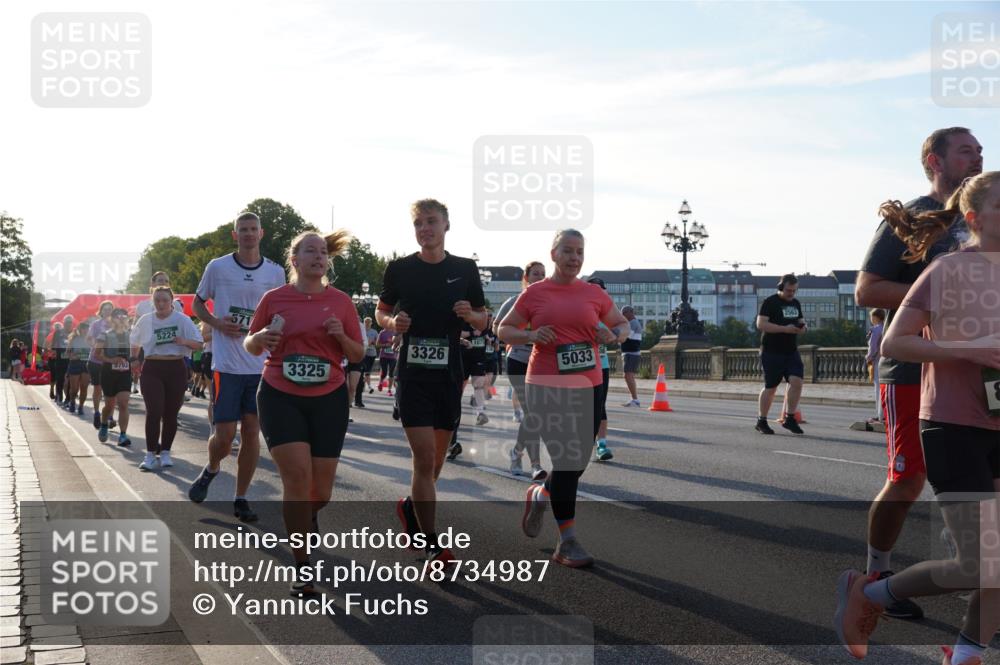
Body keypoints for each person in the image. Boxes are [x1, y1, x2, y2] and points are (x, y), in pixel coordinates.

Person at [835, 170, 1000, 664]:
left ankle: (966, 656)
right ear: (974, 218)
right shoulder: (948, 270)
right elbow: (895, 341)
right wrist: (966, 349)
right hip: (954, 424)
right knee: (978, 562)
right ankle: (873, 593)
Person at [854, 127, 983, 620]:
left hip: (974, 371)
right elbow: (867, 290)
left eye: (980, 150)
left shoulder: (984, 220)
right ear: (935, 160)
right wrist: (941, 301)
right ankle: (876, 573)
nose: (978, 156)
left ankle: (978, 583)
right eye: (966, 150)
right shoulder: (912, 219)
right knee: (907, 478)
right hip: (911, 366)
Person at [499, 229, 629, 568]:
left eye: (579, 252)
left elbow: (621, 325)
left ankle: (541, 495)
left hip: (590, 384)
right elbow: (503, 330)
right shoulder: (534, 294)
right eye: (568, 251)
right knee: (567, 458)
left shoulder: (593, 294)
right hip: (545, 384)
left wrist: (612, 334)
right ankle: (566, 541)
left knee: (578, 462)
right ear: (554, 254)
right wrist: (530, 334)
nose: (574, 257)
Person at [245, 230, 363, 596]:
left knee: (321, 491)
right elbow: (250, 344)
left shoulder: (342, 302)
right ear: (294, 261)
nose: (318, 256)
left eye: (323, 252)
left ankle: (306, 516)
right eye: (309, 251)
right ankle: (303, 564)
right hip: (281, 394)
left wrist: (340, 338)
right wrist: (261, 337)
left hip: (328, 397)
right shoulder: (274, 298)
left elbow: (358, 355)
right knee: (296, 480)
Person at [376, 198, 486, 564]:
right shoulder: (400, 269)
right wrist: (393, 324)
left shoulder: (465, 269)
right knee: (423, 461)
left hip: (450, 373)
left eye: (431, 221)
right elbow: (381, 311)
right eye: (419, 223)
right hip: (413, 374)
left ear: (446, 226)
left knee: (436, 464)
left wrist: (471, 314)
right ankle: (433, 544)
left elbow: (484, 320)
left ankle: (410, 507)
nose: (425, 228)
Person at [188, 211, 287, 523]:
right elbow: (197, 303)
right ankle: (212, 467)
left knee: (252, 434)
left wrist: (276, 332)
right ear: (235, 235)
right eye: (242, 229)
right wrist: (217, 323)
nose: (247, 234)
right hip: (227, 364)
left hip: (260, 367)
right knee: (225, 436)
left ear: (261, 233)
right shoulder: (218, 267)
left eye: (252, 229)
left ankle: (241, 497)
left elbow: (282, 312)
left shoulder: (275, 271)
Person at [130, 286, 203, 471]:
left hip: (175, 367)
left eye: (164, 300)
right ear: (152, 302)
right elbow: (134, 341)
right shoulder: (146, 320)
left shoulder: (182, 320)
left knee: (170, 414)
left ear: (171, 301)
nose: (161, 304)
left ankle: (165, 452)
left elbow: (199, 344)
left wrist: (183, 341)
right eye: (157, 301)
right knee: (154, 411)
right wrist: (134, 360)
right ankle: (149, 454)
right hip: (152, 367)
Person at [495, 261, 548, 480]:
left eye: (543, 274)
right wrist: (524, 333)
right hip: (518, 359)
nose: (540, 278)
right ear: (525, 278)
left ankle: (516, 452)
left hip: (542, 362)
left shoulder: (549, 303)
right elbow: (497, 327)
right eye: (536, 274)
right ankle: (535, 464)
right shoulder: (514, 302)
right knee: (532, 413)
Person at [754, 274, 807, 435]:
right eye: (789, 290)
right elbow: (761, 324)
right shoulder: (770, 302)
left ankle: (790, 418)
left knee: (797, 382)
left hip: (790, 350)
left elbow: (800, 321)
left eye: (794, 291)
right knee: (771, 387)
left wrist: (802, 328)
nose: (791, 294)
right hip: (771, 351)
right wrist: (785, 329)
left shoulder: (796, 303)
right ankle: (762, 420)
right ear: (780, 287)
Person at [94, 308, 135, 447]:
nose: (121, 319)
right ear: (112, 319)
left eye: (124, 316)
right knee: (109, 405)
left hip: (125, 373)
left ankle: (123, 435)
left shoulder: (131, 335)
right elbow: (96, 354)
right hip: (108, 373)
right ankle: (104, 424)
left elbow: (137, 353)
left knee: (123, 403)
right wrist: (112, 360)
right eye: (118, 316)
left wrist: (134, 362)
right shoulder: (104, 335)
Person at [588, 278, 615, 462]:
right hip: (578, 368)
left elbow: (622, 330)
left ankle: (602, 444)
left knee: (600, 406)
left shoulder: (608, 313)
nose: (599, 293)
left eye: (601, 290)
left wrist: (613, 335)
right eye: (594, 289)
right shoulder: (580, 310)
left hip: (601, 365)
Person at [86, 301, 116, 429]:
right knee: (98, 388)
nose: (108, 311)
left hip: (110, 361)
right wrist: (96, 347)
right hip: (96, 360)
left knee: (111, 391)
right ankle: (97, 413)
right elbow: (89, 338)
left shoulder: (116, 325)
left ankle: (109, 415)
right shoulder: (95, 324)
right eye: (105, 309)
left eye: (110, 309)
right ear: (101, 310)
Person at [65, 322, 91, 416]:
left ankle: (81, 406)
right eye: (83, 328)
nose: (85, 330)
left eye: (87, 328)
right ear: (79, 330)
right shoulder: (73, 339)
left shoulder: (91, 340)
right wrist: (75, 355)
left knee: (84, 387)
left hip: (86, 364)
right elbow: (68, 354)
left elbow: (95, 352)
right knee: (74, 388)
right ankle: (72, 402)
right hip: (75, 364)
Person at [866, 309, 886, 425]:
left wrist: (868, 358)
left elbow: (873, 347)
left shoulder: (875, 329)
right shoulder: (886, 327)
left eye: (871, 317)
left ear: (876, 317)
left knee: (878, 388)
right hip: (885, 360)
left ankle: (880, 416)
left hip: (877, 361)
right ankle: (883, 414)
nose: (871, 319)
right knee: (883, 388)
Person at [620, 306, 642, 407]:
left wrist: (616, 336)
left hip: (631, 353)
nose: (622, 314)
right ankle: (634, 399)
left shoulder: (633, 323)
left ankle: (635, 400)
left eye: (624, 312)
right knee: (629, 376)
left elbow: (625, 337)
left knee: (628, 376)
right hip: (631, 353)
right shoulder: (632, 323)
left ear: (630, 312)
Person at [376, 327, 398, 395]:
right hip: (384, 356)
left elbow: (399, 343)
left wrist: (396, 346)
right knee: (384, 372)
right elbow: (377, 344)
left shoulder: (396, 332)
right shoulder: (382, 332)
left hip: (393, 356)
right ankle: (381, 382)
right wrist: (385, 345)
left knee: (391, 373)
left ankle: (389, 390)